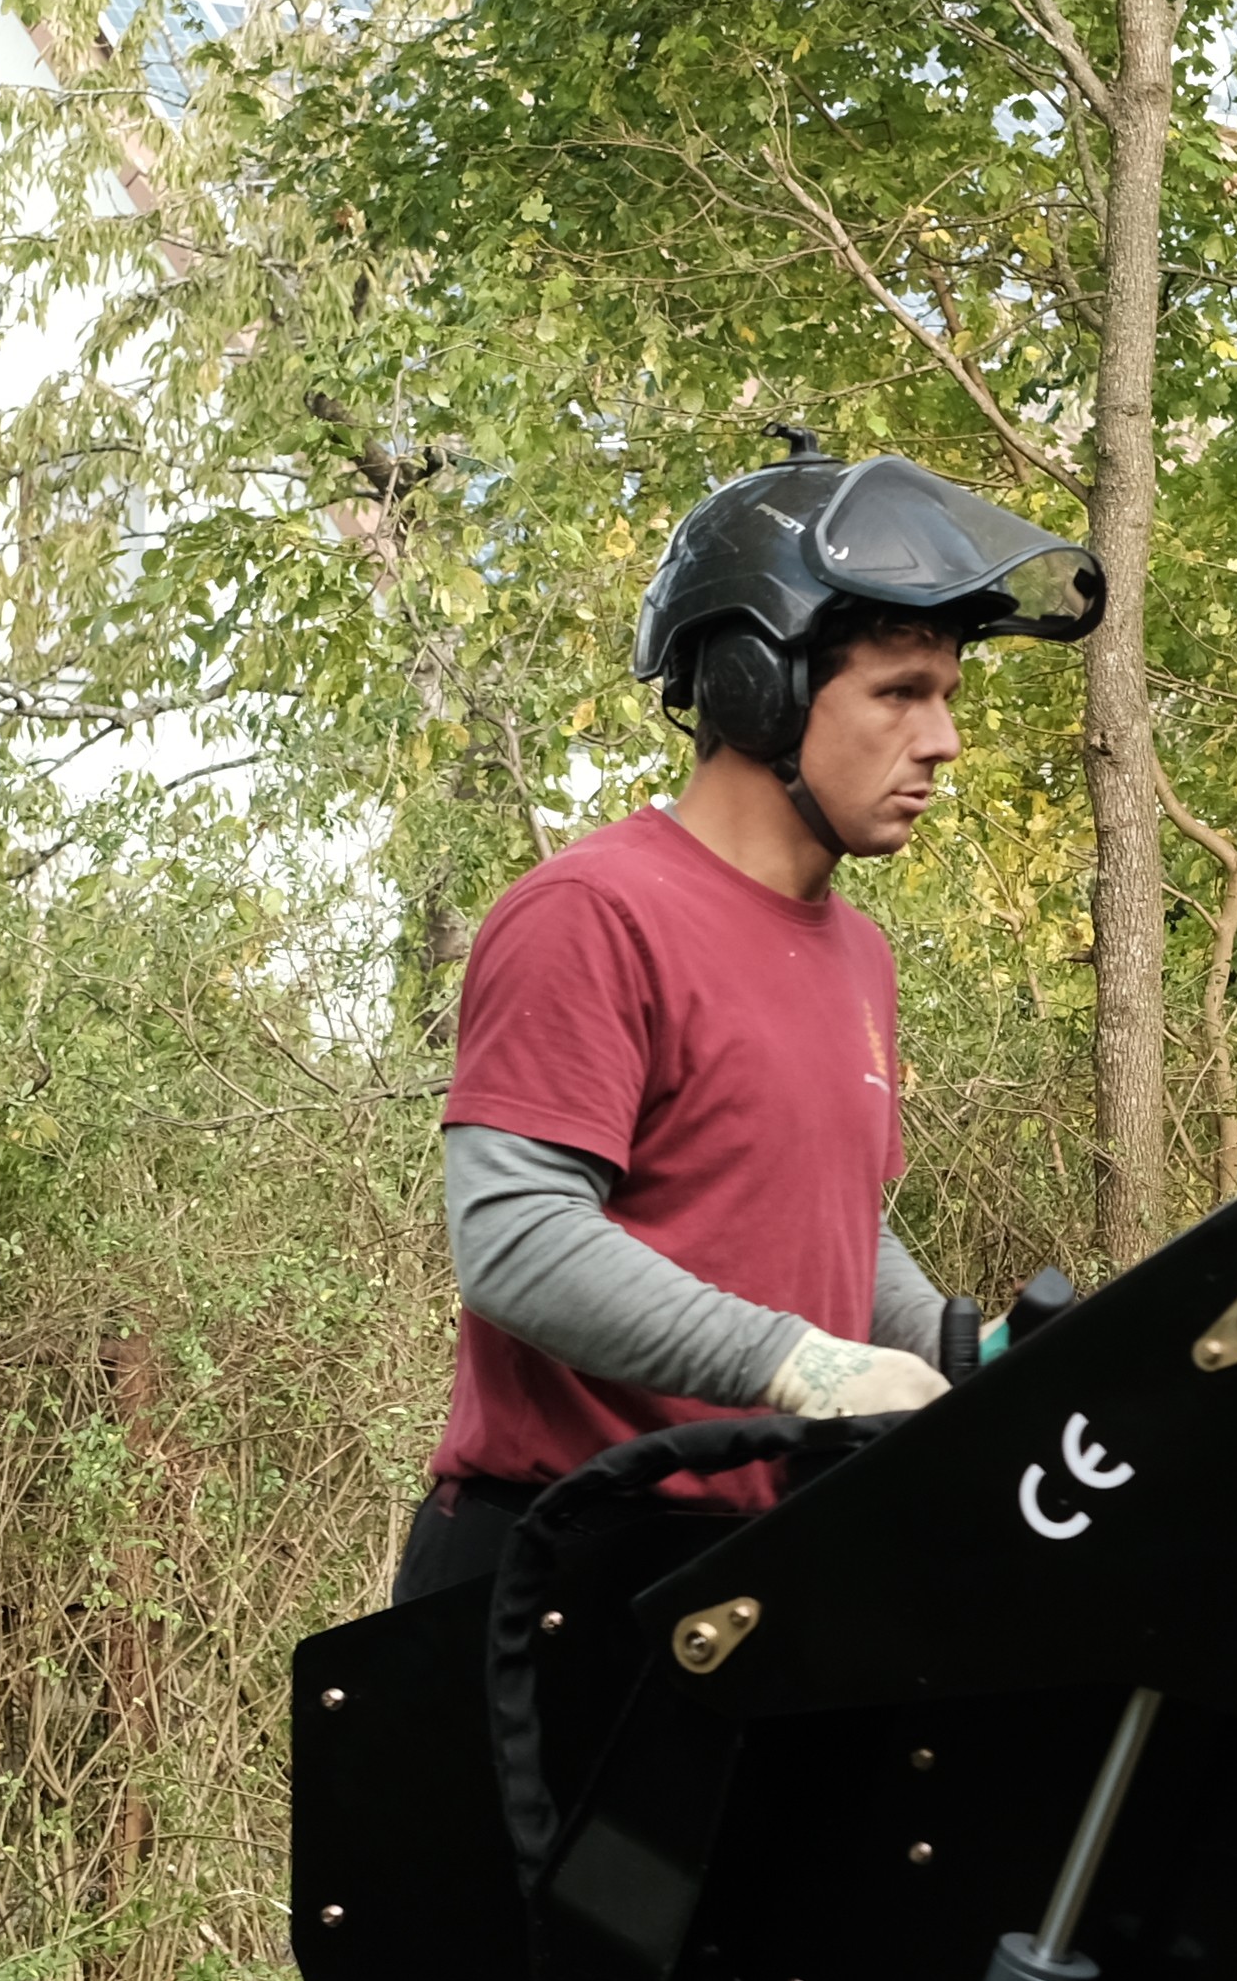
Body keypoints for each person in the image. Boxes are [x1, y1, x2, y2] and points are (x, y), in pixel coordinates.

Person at [397, 447, 1102, 1601]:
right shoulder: (595, 912)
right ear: (750, 685)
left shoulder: (856, 951)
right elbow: (516, 1238)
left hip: (754, 1564)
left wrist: (945, 1352)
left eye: (948, 698)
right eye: (899, 693)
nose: (943, 742)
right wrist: (802, 1365)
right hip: (561, 1573)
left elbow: (823, 1220)